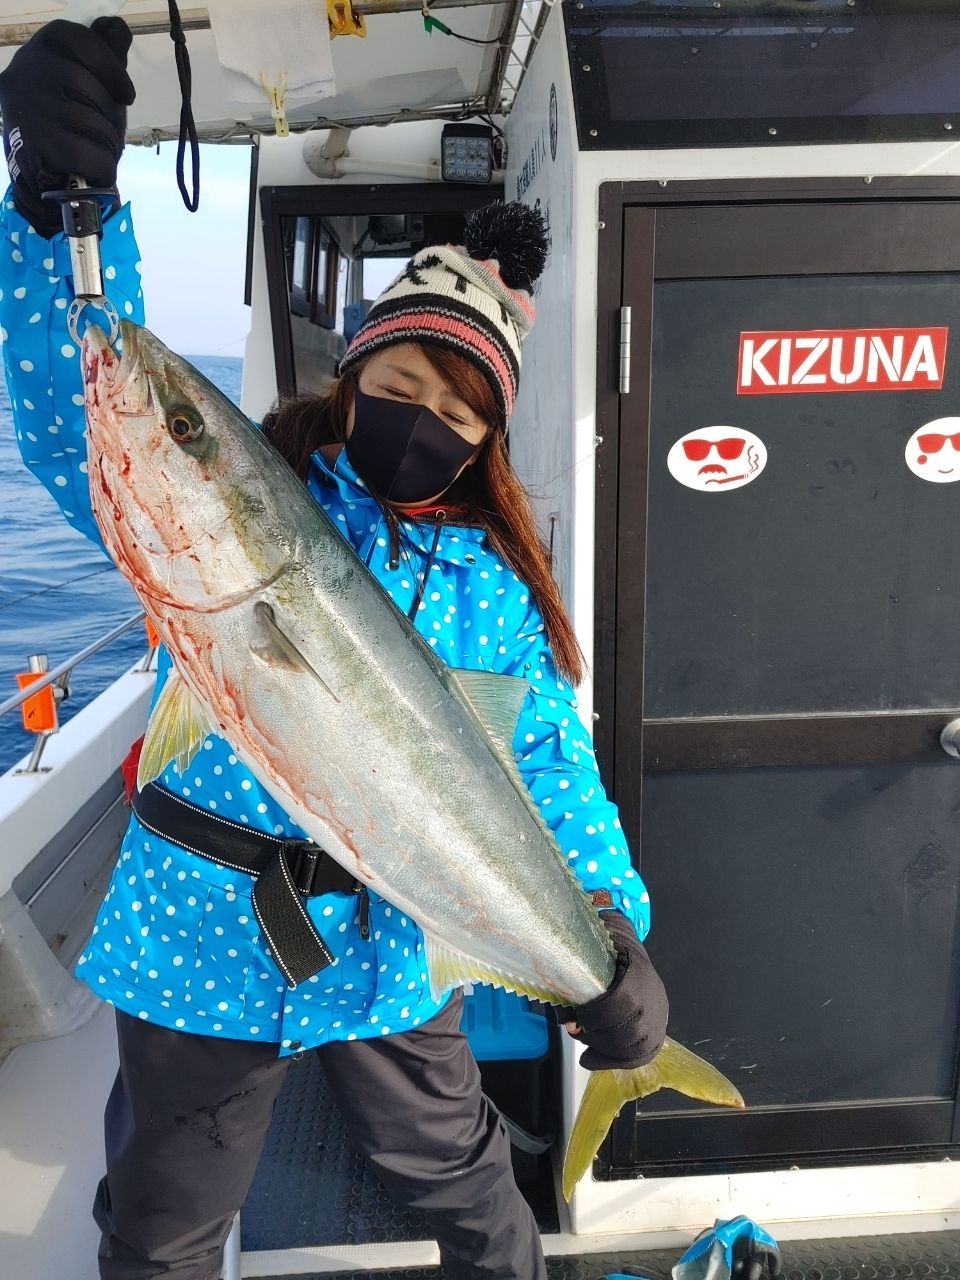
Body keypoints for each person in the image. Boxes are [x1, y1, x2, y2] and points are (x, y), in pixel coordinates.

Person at [0, 17, 669, 1280]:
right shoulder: (240, 517)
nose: (430, 419)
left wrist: (612, 933)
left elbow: (543, 762)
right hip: (199, 930)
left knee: (467, 1183)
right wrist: (56, 216)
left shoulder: (492, 590)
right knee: (162, 1216)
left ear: (490, 443)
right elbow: (83, 401)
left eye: (462, 411)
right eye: (407, 382)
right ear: (355, 373)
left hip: (397, 934)